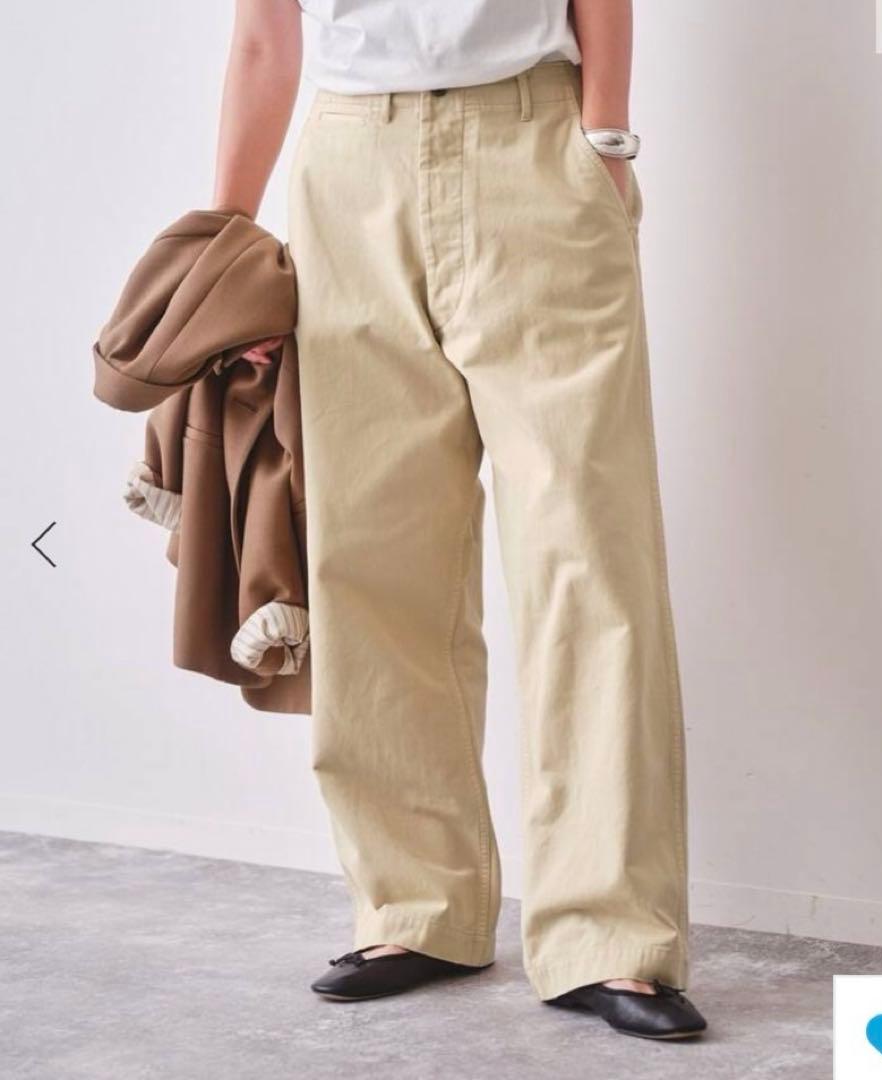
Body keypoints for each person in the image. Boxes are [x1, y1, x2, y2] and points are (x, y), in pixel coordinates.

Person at [212, 0, 707, 1040]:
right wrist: (225, 246)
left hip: (536, 145)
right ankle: (416, 909)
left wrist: (604, 141)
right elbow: (263, 34)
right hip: (348, 163)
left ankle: (609, 934)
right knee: (368, 557)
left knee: (590, 552)